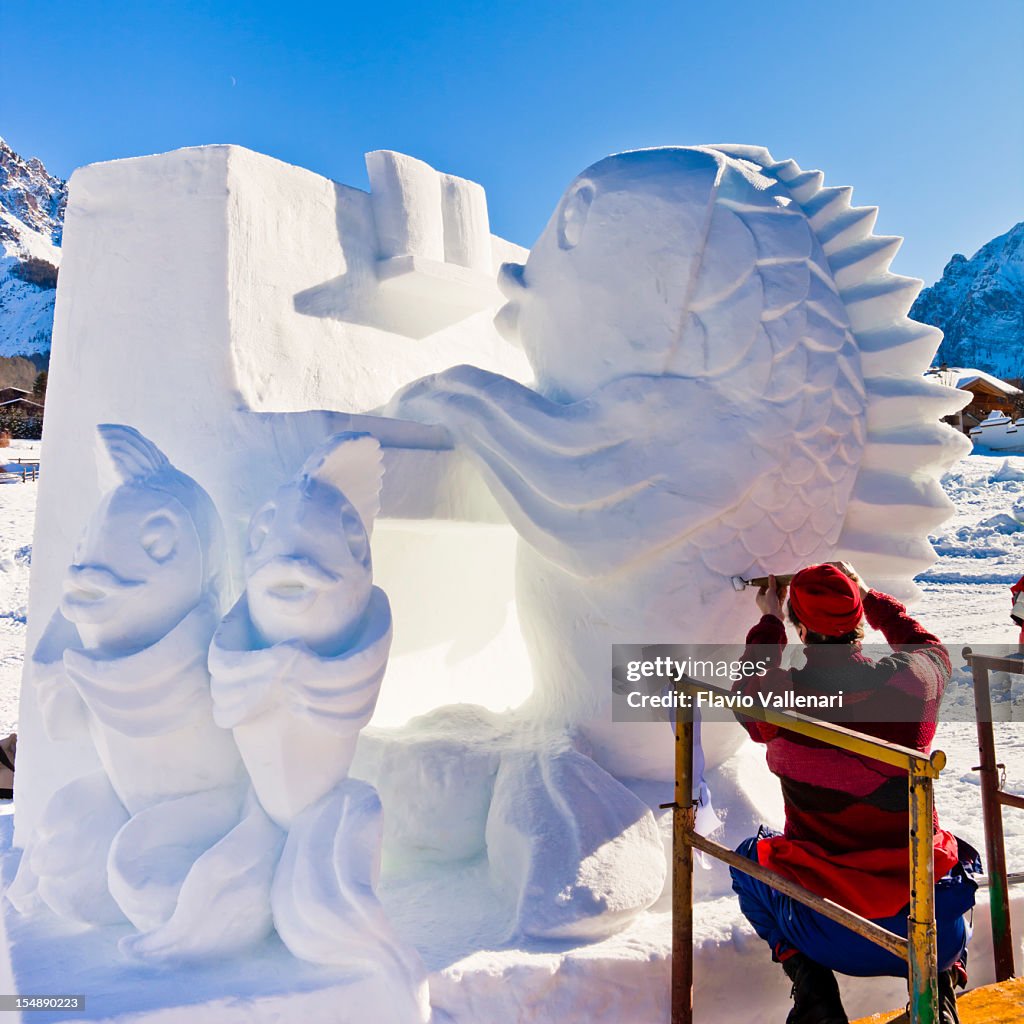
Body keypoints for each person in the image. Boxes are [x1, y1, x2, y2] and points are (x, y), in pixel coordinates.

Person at [729, 563, 976, 1024]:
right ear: (859, 618)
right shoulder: (913, 685)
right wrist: (873, 596)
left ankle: (815, 995)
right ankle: (938, 997)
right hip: (931, 928)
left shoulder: (779, 704)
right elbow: (932, 650)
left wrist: (769, 622)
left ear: (801, 629)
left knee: (747, 860)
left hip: (830, 927)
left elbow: (747, 688)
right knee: (955, 857)